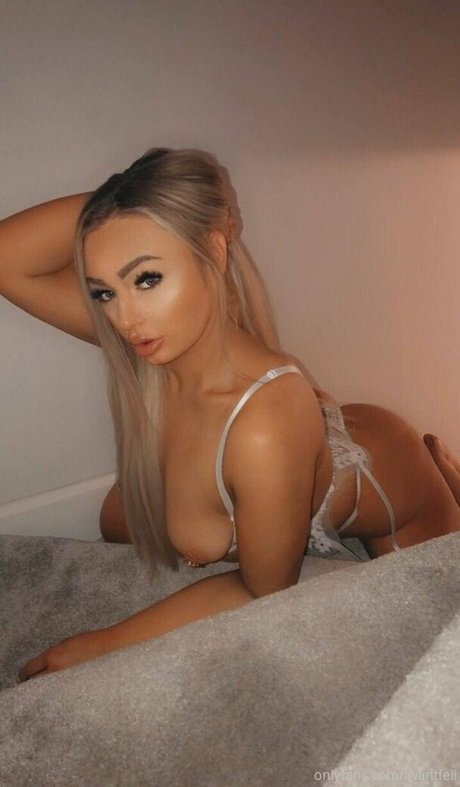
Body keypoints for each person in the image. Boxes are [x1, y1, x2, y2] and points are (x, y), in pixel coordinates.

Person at [1, 147, 459, 682]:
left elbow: (262, 590)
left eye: (146, 278)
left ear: (214, 250)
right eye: (104, 291)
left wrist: (101, 643)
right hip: (318, 432)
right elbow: (8, 260)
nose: (124, 318)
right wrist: (126, 201)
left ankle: (447, 485)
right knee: (117, 519)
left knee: (430, 637)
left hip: (397, 489)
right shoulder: (156, 340)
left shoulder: (263, 423)